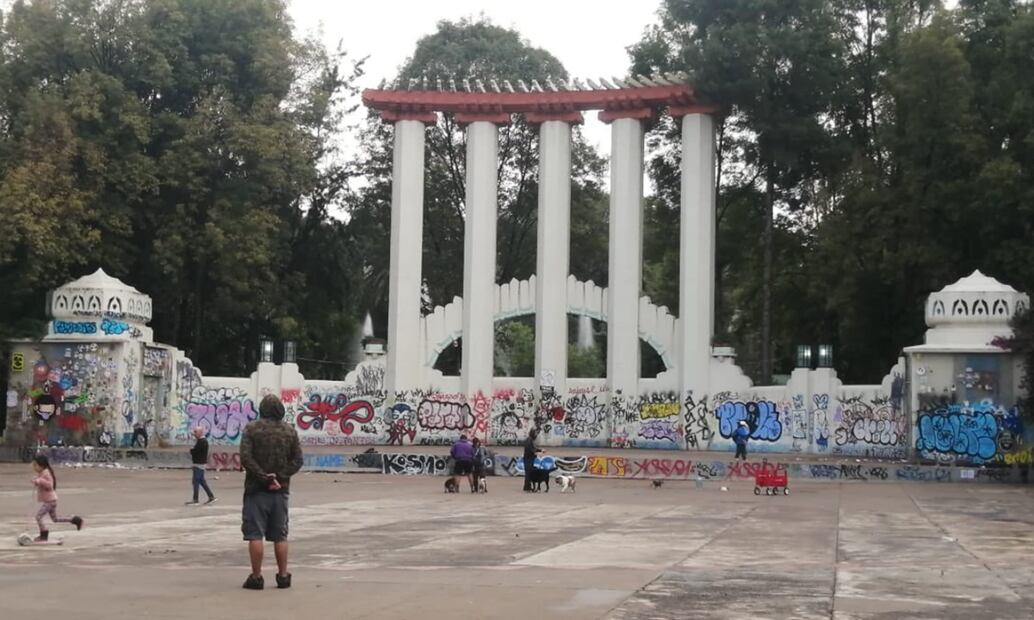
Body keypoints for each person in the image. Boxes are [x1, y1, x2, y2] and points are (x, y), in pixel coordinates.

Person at [239, 395, 303, 591]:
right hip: (280, 490)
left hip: (256, 490)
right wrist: (279, 477)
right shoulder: (290, 431)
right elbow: (298, 460)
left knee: (254, 534)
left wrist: (264, 477)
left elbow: (245, 458)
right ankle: (283, 576)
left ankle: (257, 577)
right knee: (280, 535)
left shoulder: (252, 429)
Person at [30, 454, 84, 542]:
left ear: (41, 465)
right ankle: (75, 520)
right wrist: (37, 481)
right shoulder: (43, 473)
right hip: (51, 500)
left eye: (35, 465)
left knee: (38, 517)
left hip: (49, 501)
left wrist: (39, 481)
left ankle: (44, 534)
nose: (34, 467)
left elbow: (49, 485)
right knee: (55, 519)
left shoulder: (46, 473)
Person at [185, 426, 216, 506]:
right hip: (199, 463)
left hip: (199, 464)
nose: (194, 434)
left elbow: (195, 451)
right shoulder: (201, 441)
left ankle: (196, 500)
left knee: (195, 481)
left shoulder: (202, 441)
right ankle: (211, 496)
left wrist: (191, 450)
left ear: (200, 432)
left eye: (196, 432)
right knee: (202, 481)